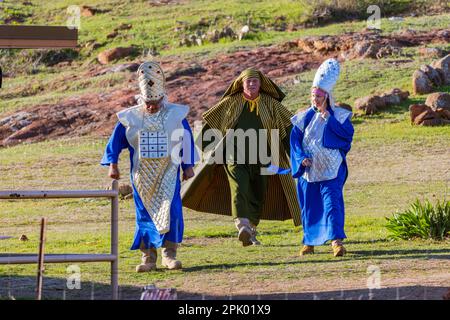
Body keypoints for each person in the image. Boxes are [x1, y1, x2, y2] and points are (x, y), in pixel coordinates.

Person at [181, 68, 301, 246]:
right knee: (239, 188)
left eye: (255, 81)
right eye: (248, 81)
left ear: (261, 84)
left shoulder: (272, 104)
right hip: (234, 156)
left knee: (259, 194)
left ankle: (251, 230)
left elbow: (289, 131)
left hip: (265, 158)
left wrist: (297, 156)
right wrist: (203, 152)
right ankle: (242, 225)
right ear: (241, 84)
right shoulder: (230, 102)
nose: (251, 84)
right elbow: (211, 126)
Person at [101, 61, 196, 272]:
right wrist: (113, 164)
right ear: (141, 98)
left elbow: (186, 140)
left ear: (163, 97)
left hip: (169, 173)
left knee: (172, 212)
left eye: (155, 101)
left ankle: (169, 255)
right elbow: (115, 142)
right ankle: (148, 258)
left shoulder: (175, 115)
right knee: (144, 215)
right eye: (148, 102)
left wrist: (188, 165)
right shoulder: (131, 117)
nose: (151, 106)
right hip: (141, 177)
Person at [290, 58, 354, 257]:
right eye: (313, 95)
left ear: (326, 96)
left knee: (332, 204)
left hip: (331, 169)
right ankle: (309, 242)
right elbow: (294, 142)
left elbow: (346, 135)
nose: (315, 99)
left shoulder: (340, 117)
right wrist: (301, 159)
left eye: (319, 96)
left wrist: (329, 119)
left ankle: (336, 243)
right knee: (309, 207)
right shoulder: (303, 118)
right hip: (310, 172)